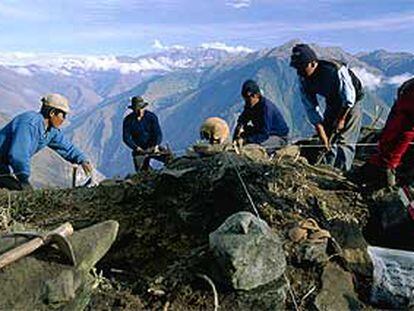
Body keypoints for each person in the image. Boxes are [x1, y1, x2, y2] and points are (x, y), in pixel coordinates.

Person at [290, 43, 364, 171]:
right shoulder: (303, 79)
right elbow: (311, 108)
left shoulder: (335, 70)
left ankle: (342, 172)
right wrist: (322, 135)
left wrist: (341, 119)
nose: (299, 71)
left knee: (344, 140)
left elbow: (349, 99)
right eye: (297, 68)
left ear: (313, 63)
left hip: (352, 103)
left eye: (302, 67)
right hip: (332, 101)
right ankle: (327, 168)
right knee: (328, 139)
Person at [0, 94, 92, 191]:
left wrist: (82, 159)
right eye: (63, 115)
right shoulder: (29, 124)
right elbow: (18, 155)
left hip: (2, 166)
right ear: (52, 113)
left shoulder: (50, 131)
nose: (64, 119)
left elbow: (66, 147)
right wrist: (24, 179)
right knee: (20, 191)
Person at [364, 77, 414, 187]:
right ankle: (387, 183)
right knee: (393, 151)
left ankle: (379, 177)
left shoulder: (408, 88)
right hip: (404, 124)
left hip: (400, 119)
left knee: (389, 148)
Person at [233, 80, 289, 153]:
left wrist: (247, 140)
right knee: (246, 133)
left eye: (248, 99)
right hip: (261, 132)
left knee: (254, 146)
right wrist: (238, 131)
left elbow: (264, 134)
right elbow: (243, 119)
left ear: (255, 95)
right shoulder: (251, 105)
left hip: (277, 137)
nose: (246, 101)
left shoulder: (266, 108)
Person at [123, 96, 170, 172]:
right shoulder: (128, 121)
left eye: (141, 108)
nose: (139, 111)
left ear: (144, 107)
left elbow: (158, 134)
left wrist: (156, 145)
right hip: (139, 150)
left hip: (153, 147)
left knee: (169, 159)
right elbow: (126, 138)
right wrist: (136, 148)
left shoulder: (151, 117)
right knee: (142, 172)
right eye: (137, 109)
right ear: (133, 109)